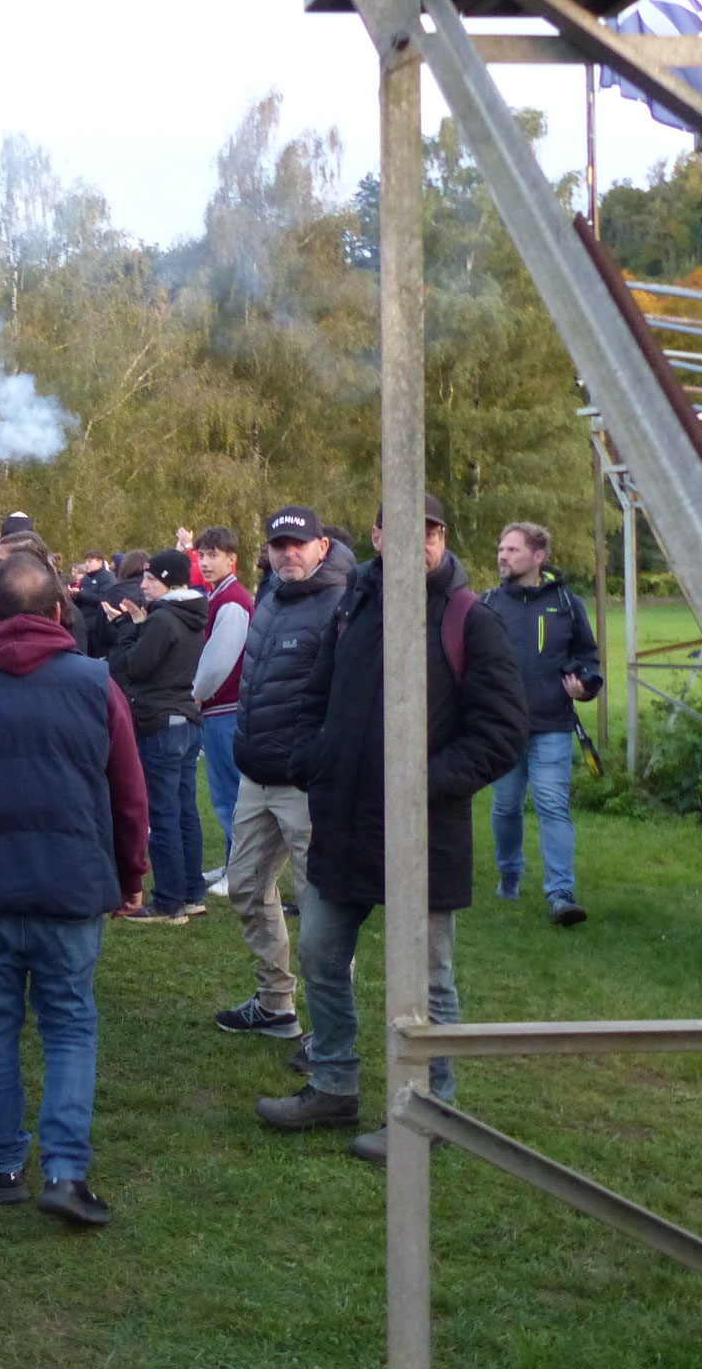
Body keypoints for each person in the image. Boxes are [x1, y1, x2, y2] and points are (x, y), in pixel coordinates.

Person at [253, 496, 527, 1163]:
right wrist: (312, 758)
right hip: (344, 821)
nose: (418, 543)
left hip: (424, 834)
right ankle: (332, 1084)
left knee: (429, 981)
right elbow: (317, 695)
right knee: (320, 952)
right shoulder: (354, 604)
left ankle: (430, 1111)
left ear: (442, 538)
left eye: (430, 532)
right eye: (404, 530)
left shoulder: (470, 619)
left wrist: (419, 785)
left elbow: (501, 734)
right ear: (378, 536)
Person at [0, 554, 149, 1224]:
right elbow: (130, 795)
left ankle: (5, 1157)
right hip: (69, 886)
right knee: (68, 1023)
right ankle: (63, 1170)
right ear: (59, 613)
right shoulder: (96, 684)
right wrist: (131, 874)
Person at [215, 507, 353, 1041]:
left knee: (321, 909)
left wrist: (320, 760)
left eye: (299, 543)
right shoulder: (271, 595)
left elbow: (351, 697)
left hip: (307, 783)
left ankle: (329, 1034)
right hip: (258, 775)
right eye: (279, 544)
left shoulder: (342, 603)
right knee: (246, 887)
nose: (289, 553)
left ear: (322, 546)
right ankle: (276, 1004)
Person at [485, 521, 600, 926]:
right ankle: (510, 873)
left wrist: (584, 686)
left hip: (552, 724)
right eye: (501, 549)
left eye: (513, 550)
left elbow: (588, 659)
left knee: (552, 805)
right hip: (503, 727)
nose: (503, 556)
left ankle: (561, 894)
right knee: (505, 807)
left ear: (538, 557)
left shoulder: (567, 603)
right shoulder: (489, 604)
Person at [106, 550, 209, 923]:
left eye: (151, 579)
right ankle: (192, 893)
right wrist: (139, 624)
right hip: (185, 720)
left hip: (160, 723)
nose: (144, 585)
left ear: (169, 583)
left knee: (163, 815)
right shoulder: (190, 615)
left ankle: (169, 901)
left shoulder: (163, 619)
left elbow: (133, 666)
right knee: (185, 812)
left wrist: (126, 628)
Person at [190, 527, 255, 865]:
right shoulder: (220, 596)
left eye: (213, 555)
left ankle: (239, 870)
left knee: (231, 795)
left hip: (225, 709)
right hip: (222, 709)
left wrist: (196, 695)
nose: (205, 562)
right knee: (226, 794)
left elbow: (219, 660)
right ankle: (233, 864)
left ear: (232, 559)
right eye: (201, 555)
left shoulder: (232, 601)